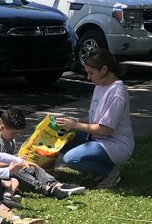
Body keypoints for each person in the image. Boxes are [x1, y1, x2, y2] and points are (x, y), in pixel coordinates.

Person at [55, 50, 134, 189]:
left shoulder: (116, 92)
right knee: (61, 137)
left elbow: (106, 130)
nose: (88, 77)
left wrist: (76, 125)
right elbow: (94, 117)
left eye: (91, 73)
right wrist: (73, 122)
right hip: (99, 139)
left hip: (115, 144)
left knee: (71, 158)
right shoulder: (100, 86)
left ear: (104, 69)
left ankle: (110, 173)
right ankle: (95, 169)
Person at [0, 108, 85, 199]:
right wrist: (15, 162)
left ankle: (57, 185)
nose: (15, 136)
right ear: (1, 127)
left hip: (6, 170)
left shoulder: (10, 141)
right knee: (18, 170)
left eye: (17, 134)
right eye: (13, 134)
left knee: (34, 167)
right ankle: (46, 188)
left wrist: (19, 160)